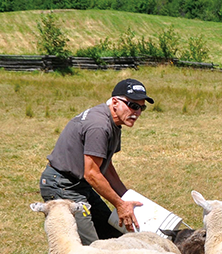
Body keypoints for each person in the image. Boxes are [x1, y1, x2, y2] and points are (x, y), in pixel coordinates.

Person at [39, 78, 153, 244]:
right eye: (133, 105)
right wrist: (120, 205)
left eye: (142, 107)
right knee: (93, 248)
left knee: (112, 235)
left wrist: (125, 197)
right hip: (62, 186)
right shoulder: (99, 126)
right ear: (115, 102)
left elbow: (106, 167)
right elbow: (92, 173)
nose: (137, 112)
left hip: (80, 185)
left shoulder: (114, 122)